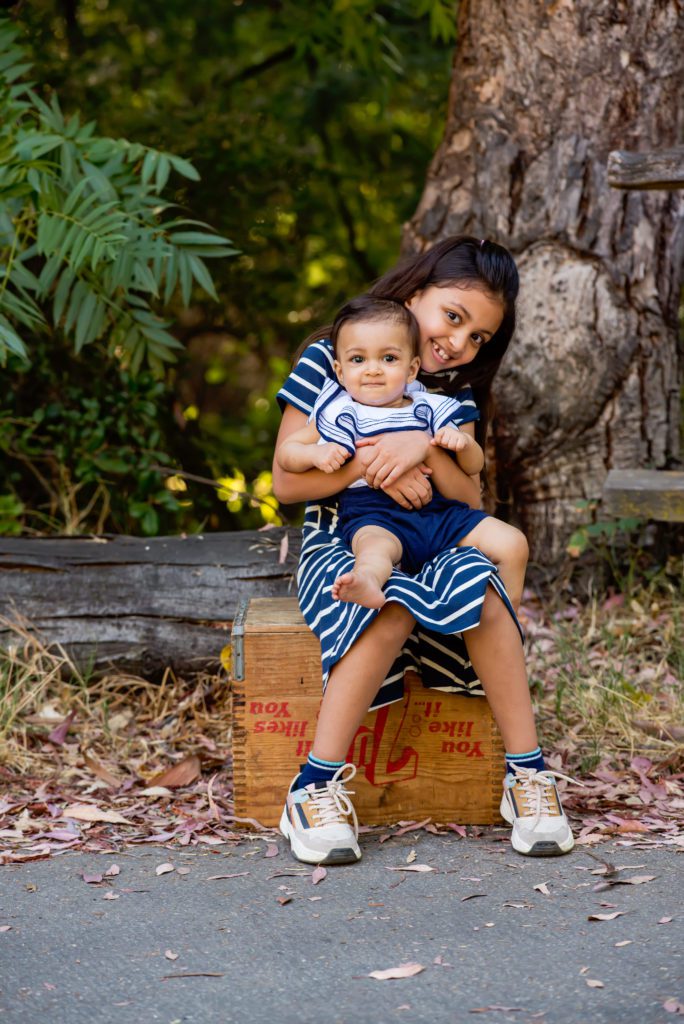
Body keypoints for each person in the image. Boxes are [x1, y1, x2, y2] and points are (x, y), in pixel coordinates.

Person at [272, 235, 576, 865]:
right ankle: (313, 787)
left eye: (479, 338)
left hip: (438, 530)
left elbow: (470, 498)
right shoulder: (333, 360)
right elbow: (286, 480)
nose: (459, 343)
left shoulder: (449, 394)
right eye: (454, 317)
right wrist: (374, 464)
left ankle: (528, 780)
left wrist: (424, 449)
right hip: (345, 530)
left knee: (485, 590)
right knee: (385, 603)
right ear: (415, 293)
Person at [276, 294, 528, 610]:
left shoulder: (430, 406)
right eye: (358, 360)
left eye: (388, 359)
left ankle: (508, 614)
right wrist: (316, 454)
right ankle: (366, 581)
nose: (373, 370)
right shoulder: (340, 412)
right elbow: (288, 453)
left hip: (439, 513)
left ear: (411, 371)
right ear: (340, 372)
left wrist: (462, 444)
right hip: (373, 512)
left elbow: (473, 467)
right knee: (375, 550)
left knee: (513, 543)